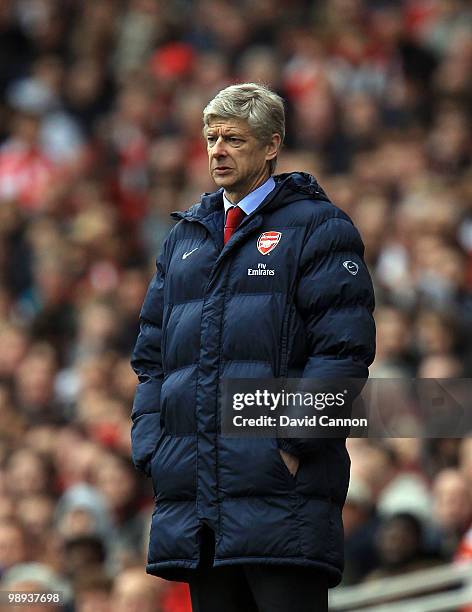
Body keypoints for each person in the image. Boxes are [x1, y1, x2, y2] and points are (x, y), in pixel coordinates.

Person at [130, 83, 376, 612]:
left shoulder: (319, 227)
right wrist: (154, 446)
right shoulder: (186, 237)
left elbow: (344, 354)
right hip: (196, 496)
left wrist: (290, 444)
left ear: (271, 146)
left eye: (233, 139)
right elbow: (152, 359)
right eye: (211, 138)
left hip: (282, 494)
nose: (217, 150)